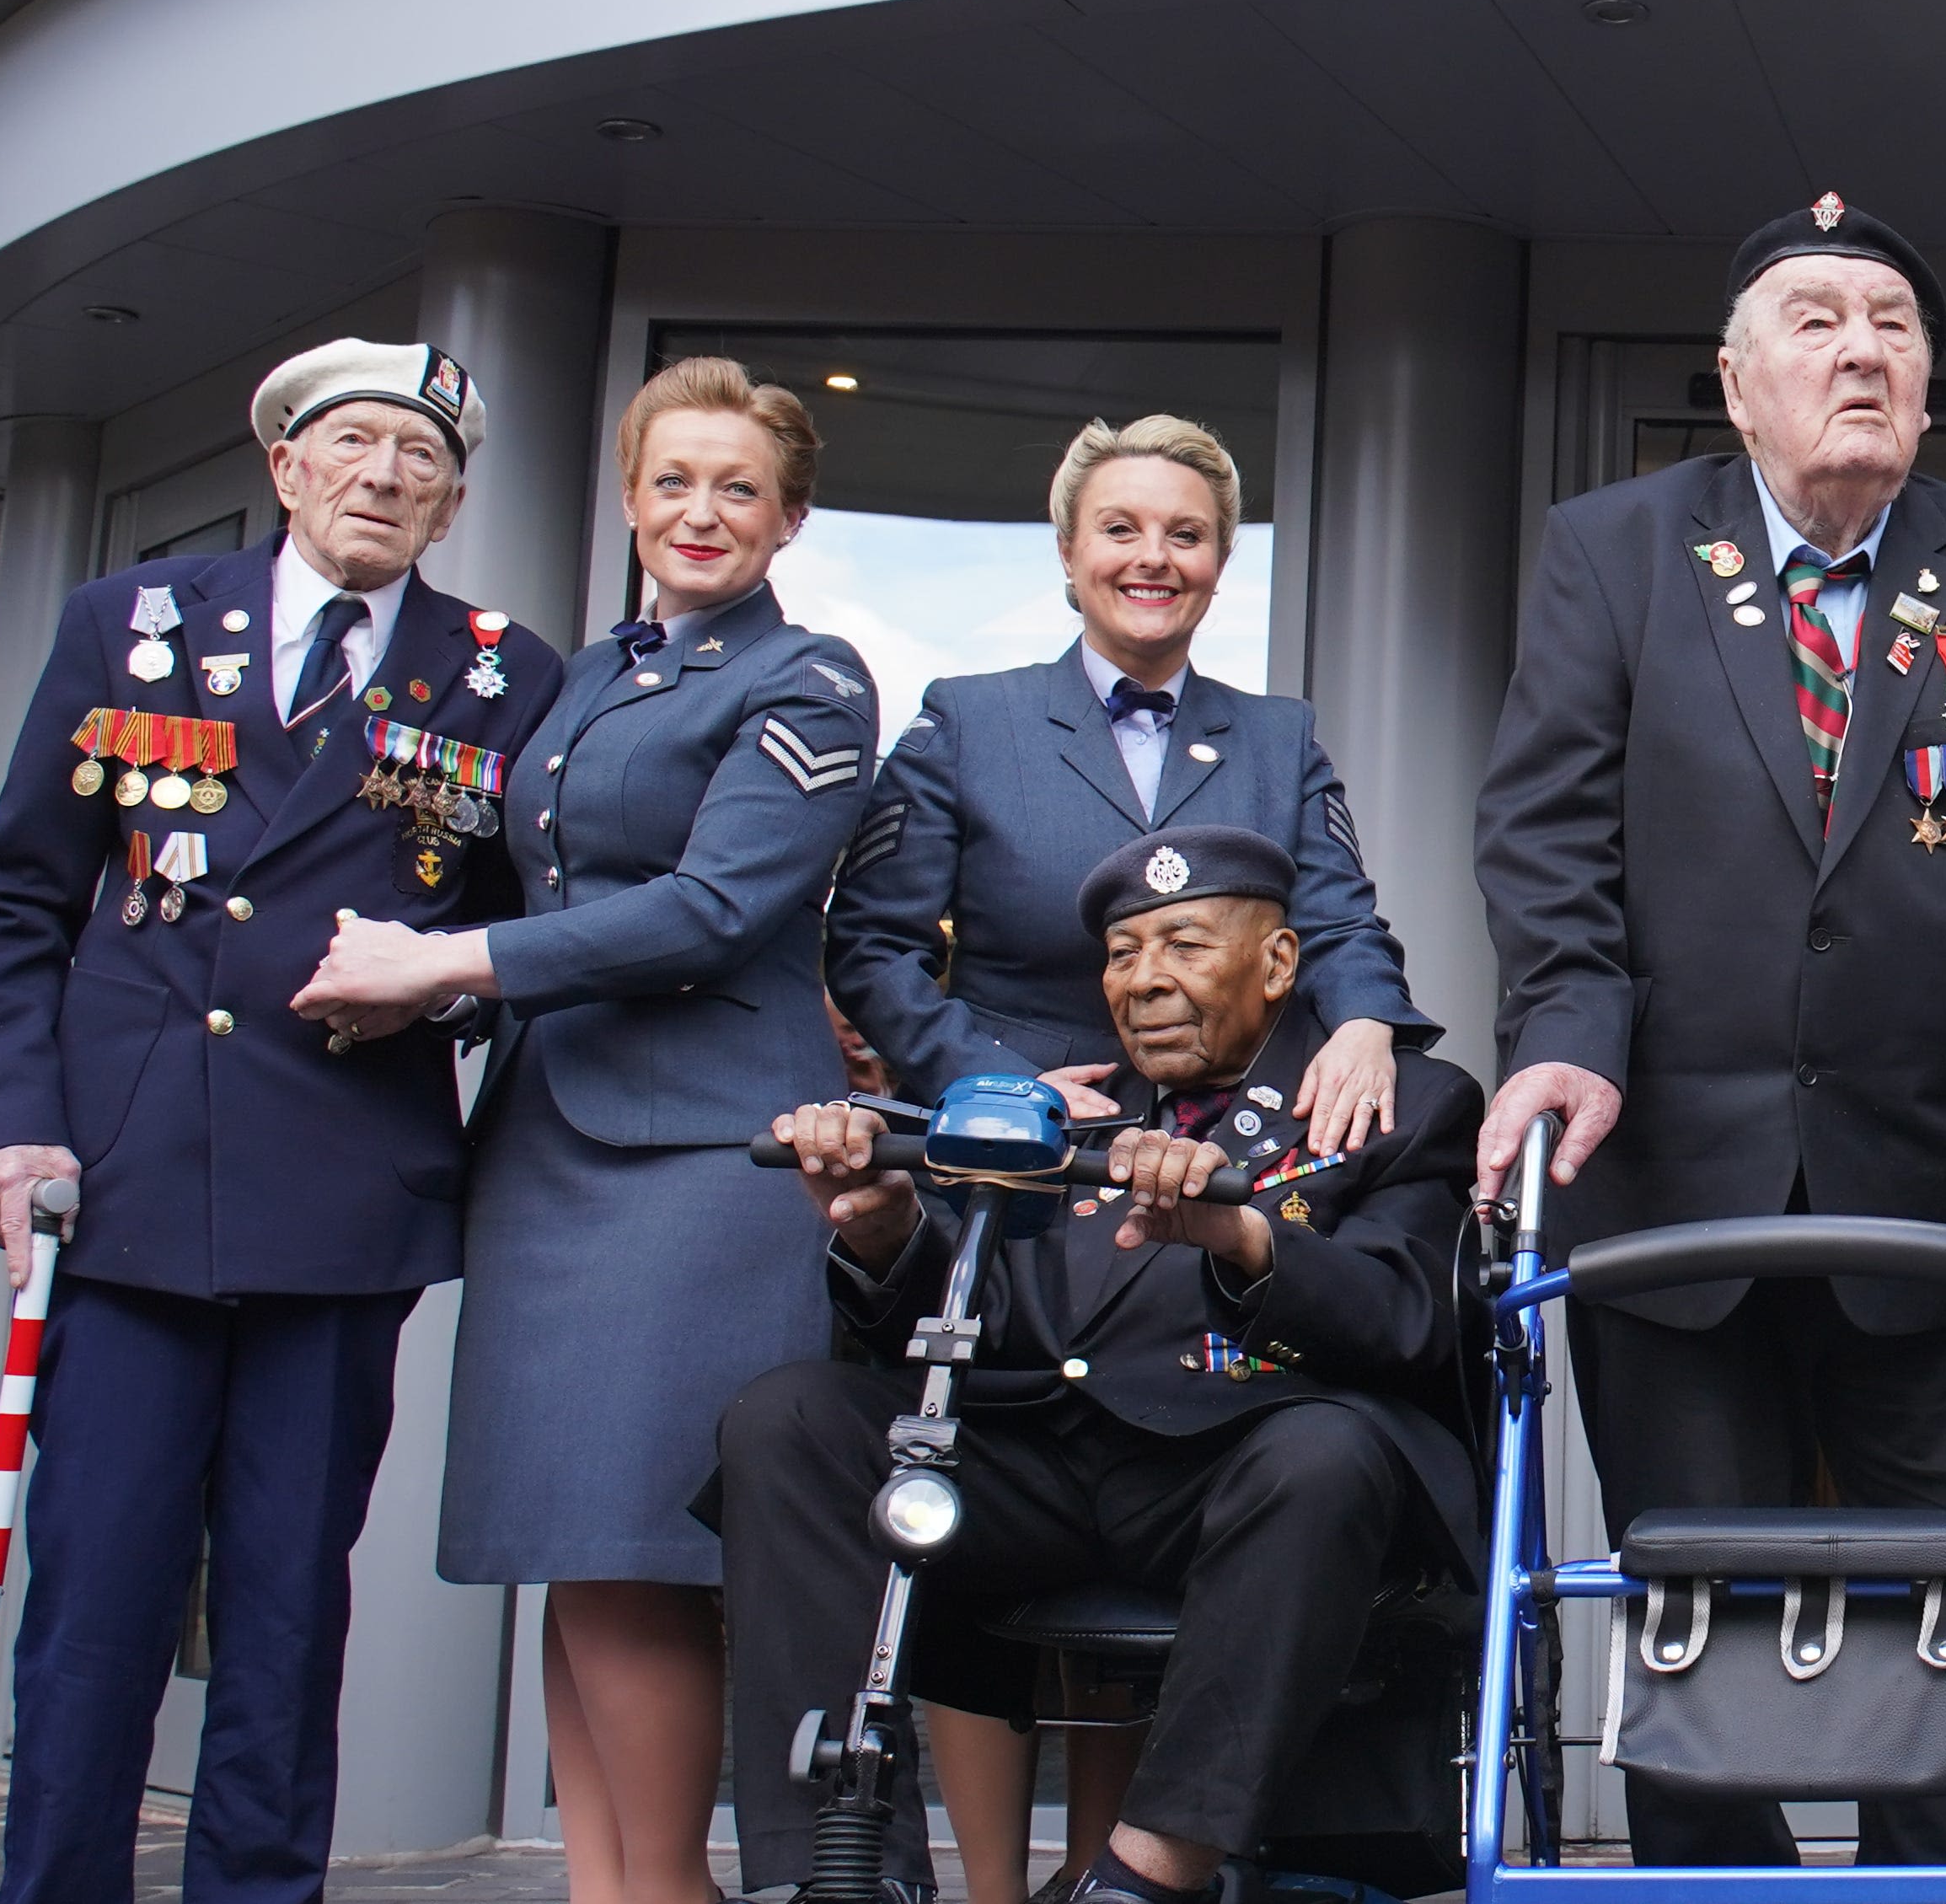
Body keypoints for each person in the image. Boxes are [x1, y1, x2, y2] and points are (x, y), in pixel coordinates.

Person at [1472, 191, 1946, 1872]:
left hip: (1936, 1196)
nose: (1860, 346)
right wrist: (1563, 1037)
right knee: (1693, 1599)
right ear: (1738, 380)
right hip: (1671, 1191)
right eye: (1817, 319)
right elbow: (1549, 837)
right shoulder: (1612, 548)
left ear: (1929, 383)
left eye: (1893, 324)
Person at [0, 337, 567, 1904]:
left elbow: (518, 937)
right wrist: (10, 1128)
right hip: (135, 1177)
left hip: (343, 1189)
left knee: (290, 1607)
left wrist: (433, 990)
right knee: (98, 1603)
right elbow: (20, 900)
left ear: (452, 500)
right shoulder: (134, 627)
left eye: (419, 460)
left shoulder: (501, 672)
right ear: (284, 464)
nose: (383, 476)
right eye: (353, 444)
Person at [287, 357, 877, 1904]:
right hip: (550, 1140)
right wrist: (424, 994)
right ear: (628, 502)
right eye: (673, 482)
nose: (702, 511)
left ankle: (667, 1890)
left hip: (698, 1161)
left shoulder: (808, 681)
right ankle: (605, 1890)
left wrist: (443, 967)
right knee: (574, 1553)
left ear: (788, 517)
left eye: (738, 488)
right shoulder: (587, 678)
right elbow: (526, 882)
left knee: (642, 1551)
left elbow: (714, 907)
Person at [722, 826, 1483, 1904]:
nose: (1145, 981)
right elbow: (984, 1319)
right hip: (1048, 1467)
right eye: (1123, 955)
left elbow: (1411, 1320)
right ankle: (836, 1874)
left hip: (1243, 1472)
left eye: (1182, 943)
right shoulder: (1065, 1106)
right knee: (791, 1418)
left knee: (1326, 1450)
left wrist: (1241, 1237)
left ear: (1277, 963)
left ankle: (1149, 1874)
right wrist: (885, 1228)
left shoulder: (1392, 1099)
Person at [826, 411, 1428, 1120]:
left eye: (1187, 535)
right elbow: (874, 948)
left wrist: (1365, 1023)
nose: (1154, 557)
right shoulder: (968, 723)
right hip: (1020, 1150)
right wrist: (991, 1079)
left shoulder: (1281, 737)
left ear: (1219, 563)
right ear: (1067, 552)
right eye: (1119, 530)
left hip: (1234, 1147)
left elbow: (1340, 927)